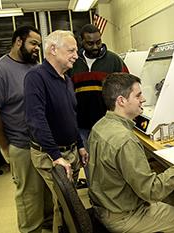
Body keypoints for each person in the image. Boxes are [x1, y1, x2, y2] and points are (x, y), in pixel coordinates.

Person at [88, 72, 174, 233]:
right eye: (138, 95)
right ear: (121, 101)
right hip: (123, 216)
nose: (143, 99)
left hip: (104, 205)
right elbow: (151, 191)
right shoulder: (125, 140)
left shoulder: (99, 126)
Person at [0, 26, 53, 233]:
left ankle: (48, 227)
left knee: (47, 192)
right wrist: (5, 146)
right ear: (18, 42)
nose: (37, 48)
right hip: (20, 145)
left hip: (42, 144)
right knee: (30, 196)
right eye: (33, 43)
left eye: (39, 45)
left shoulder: (35, 67)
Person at [24, 30, 89, 233]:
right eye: (71, 50)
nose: (76, 55)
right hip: (51, 155)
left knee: (66, 204)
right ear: (53, 49)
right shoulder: (36, 77)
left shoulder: (66, 79)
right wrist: (55, 155)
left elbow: (71, 116)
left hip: (70, 152)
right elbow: (36, 120)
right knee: (65, 206)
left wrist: (79, 145)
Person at [69, 24, 129, 184]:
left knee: (110, 163)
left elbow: (127, 89)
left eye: (98, 41)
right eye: (90, 43)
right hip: (81, 124)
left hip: (107, 124)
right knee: (88, 163)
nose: (95, 46)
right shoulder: (73, 62)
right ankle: (94, 196)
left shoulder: (114, 61)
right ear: (81, 42)